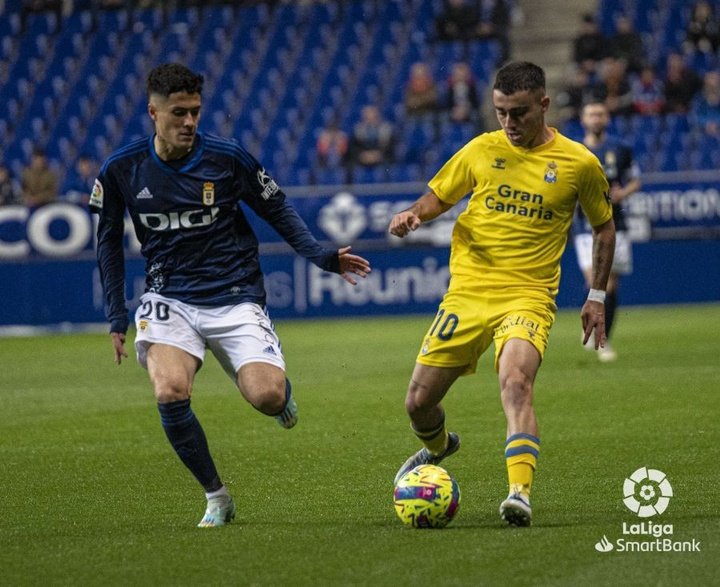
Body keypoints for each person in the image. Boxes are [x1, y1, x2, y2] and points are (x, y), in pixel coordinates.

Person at [90, 63, 371, 528]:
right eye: (178, 113)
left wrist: (320, 255)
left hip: (235, 294)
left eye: (195, 112)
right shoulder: (122, 169)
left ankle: (281, 397)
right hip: (169, 298)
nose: (189, 122)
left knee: (266, 397)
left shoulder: (227, 158)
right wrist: (116, 316)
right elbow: (107, 243)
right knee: (170, 391)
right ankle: (217, 497)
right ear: (152, 113)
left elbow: (276, 206)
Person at [388, 61, 614, 527]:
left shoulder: (579, 164)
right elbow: (438, 196)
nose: (508, 124)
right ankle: (437, 446)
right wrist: (414, 214)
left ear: (544, 105)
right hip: (467, 294)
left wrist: (596, 295)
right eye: (500, 112)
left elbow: (604, 228)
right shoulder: (480, 150)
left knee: (515, 381)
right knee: (417, 403)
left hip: (528, 296)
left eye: (519, 113)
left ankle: (519, 494)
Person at [573, 100, 640, 362]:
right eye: (591, 114)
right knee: (594, 281)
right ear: (583, 119)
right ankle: (593, 328)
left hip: (615, 224)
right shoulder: (575, 151)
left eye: (600, 114)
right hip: (584, 226)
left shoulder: (620, 149)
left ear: (607, 118)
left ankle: (604, 338)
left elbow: (635, 180)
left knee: (610, 284)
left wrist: (623, 192)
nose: (596, 118)